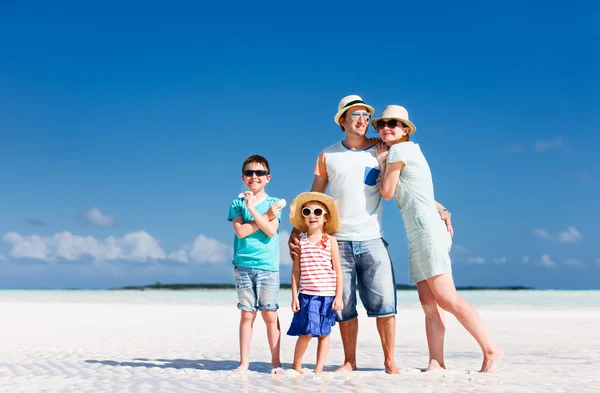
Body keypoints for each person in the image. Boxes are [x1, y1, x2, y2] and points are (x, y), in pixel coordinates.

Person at [288, 95, 453, 374]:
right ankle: (350, 361)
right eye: (356, 115)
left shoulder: (382, 150)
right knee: (345, 307)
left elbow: (408, 186)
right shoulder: (328, 154)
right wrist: (298, 228)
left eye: (366, 115)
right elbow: (315, 195)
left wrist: (441, 208)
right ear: (342, 121)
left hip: (373, 239)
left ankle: (389, 361)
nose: (363, 120)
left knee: (386, 304)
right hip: (337, 240)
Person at [373, 104, 504, 373]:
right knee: (429, 304)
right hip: (419, 231)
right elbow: (416, 191)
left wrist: (382, 160)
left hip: (427, 232)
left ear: (405, 130)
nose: (386, 127)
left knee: (446, 299)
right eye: (382, 124)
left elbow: (387, 192)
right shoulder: (408, 150)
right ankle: (436, 362)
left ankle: (492, 349)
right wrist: (442, 208)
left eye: (393, 124)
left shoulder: (399, 150)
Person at [228, 154, 286, 374]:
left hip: (268, 266)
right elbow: (241, 232)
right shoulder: (236, 203)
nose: (254, 177)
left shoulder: (274, 203)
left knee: (270, 314)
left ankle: (276, 362)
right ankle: (244, 363)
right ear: (243, 178)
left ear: (268, 177)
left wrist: (253, 209)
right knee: (247, 314)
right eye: (249, 173)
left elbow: (271, 231)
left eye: (259, 173)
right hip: (242, 265)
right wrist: (262, 216)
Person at [286, 192, 343, 374]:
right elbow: (296, 272)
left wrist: (339, 296)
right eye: (307, 211)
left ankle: (319, 369)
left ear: (325, 217)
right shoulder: (300, 243)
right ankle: (296, 364)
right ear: (302, 216)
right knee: (307, 332)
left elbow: (338, 270)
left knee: (324, 333)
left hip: (327, 295)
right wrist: (294, 296)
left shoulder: (331, 241)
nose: (312, 215)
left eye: (317, 211)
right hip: (307, 296)